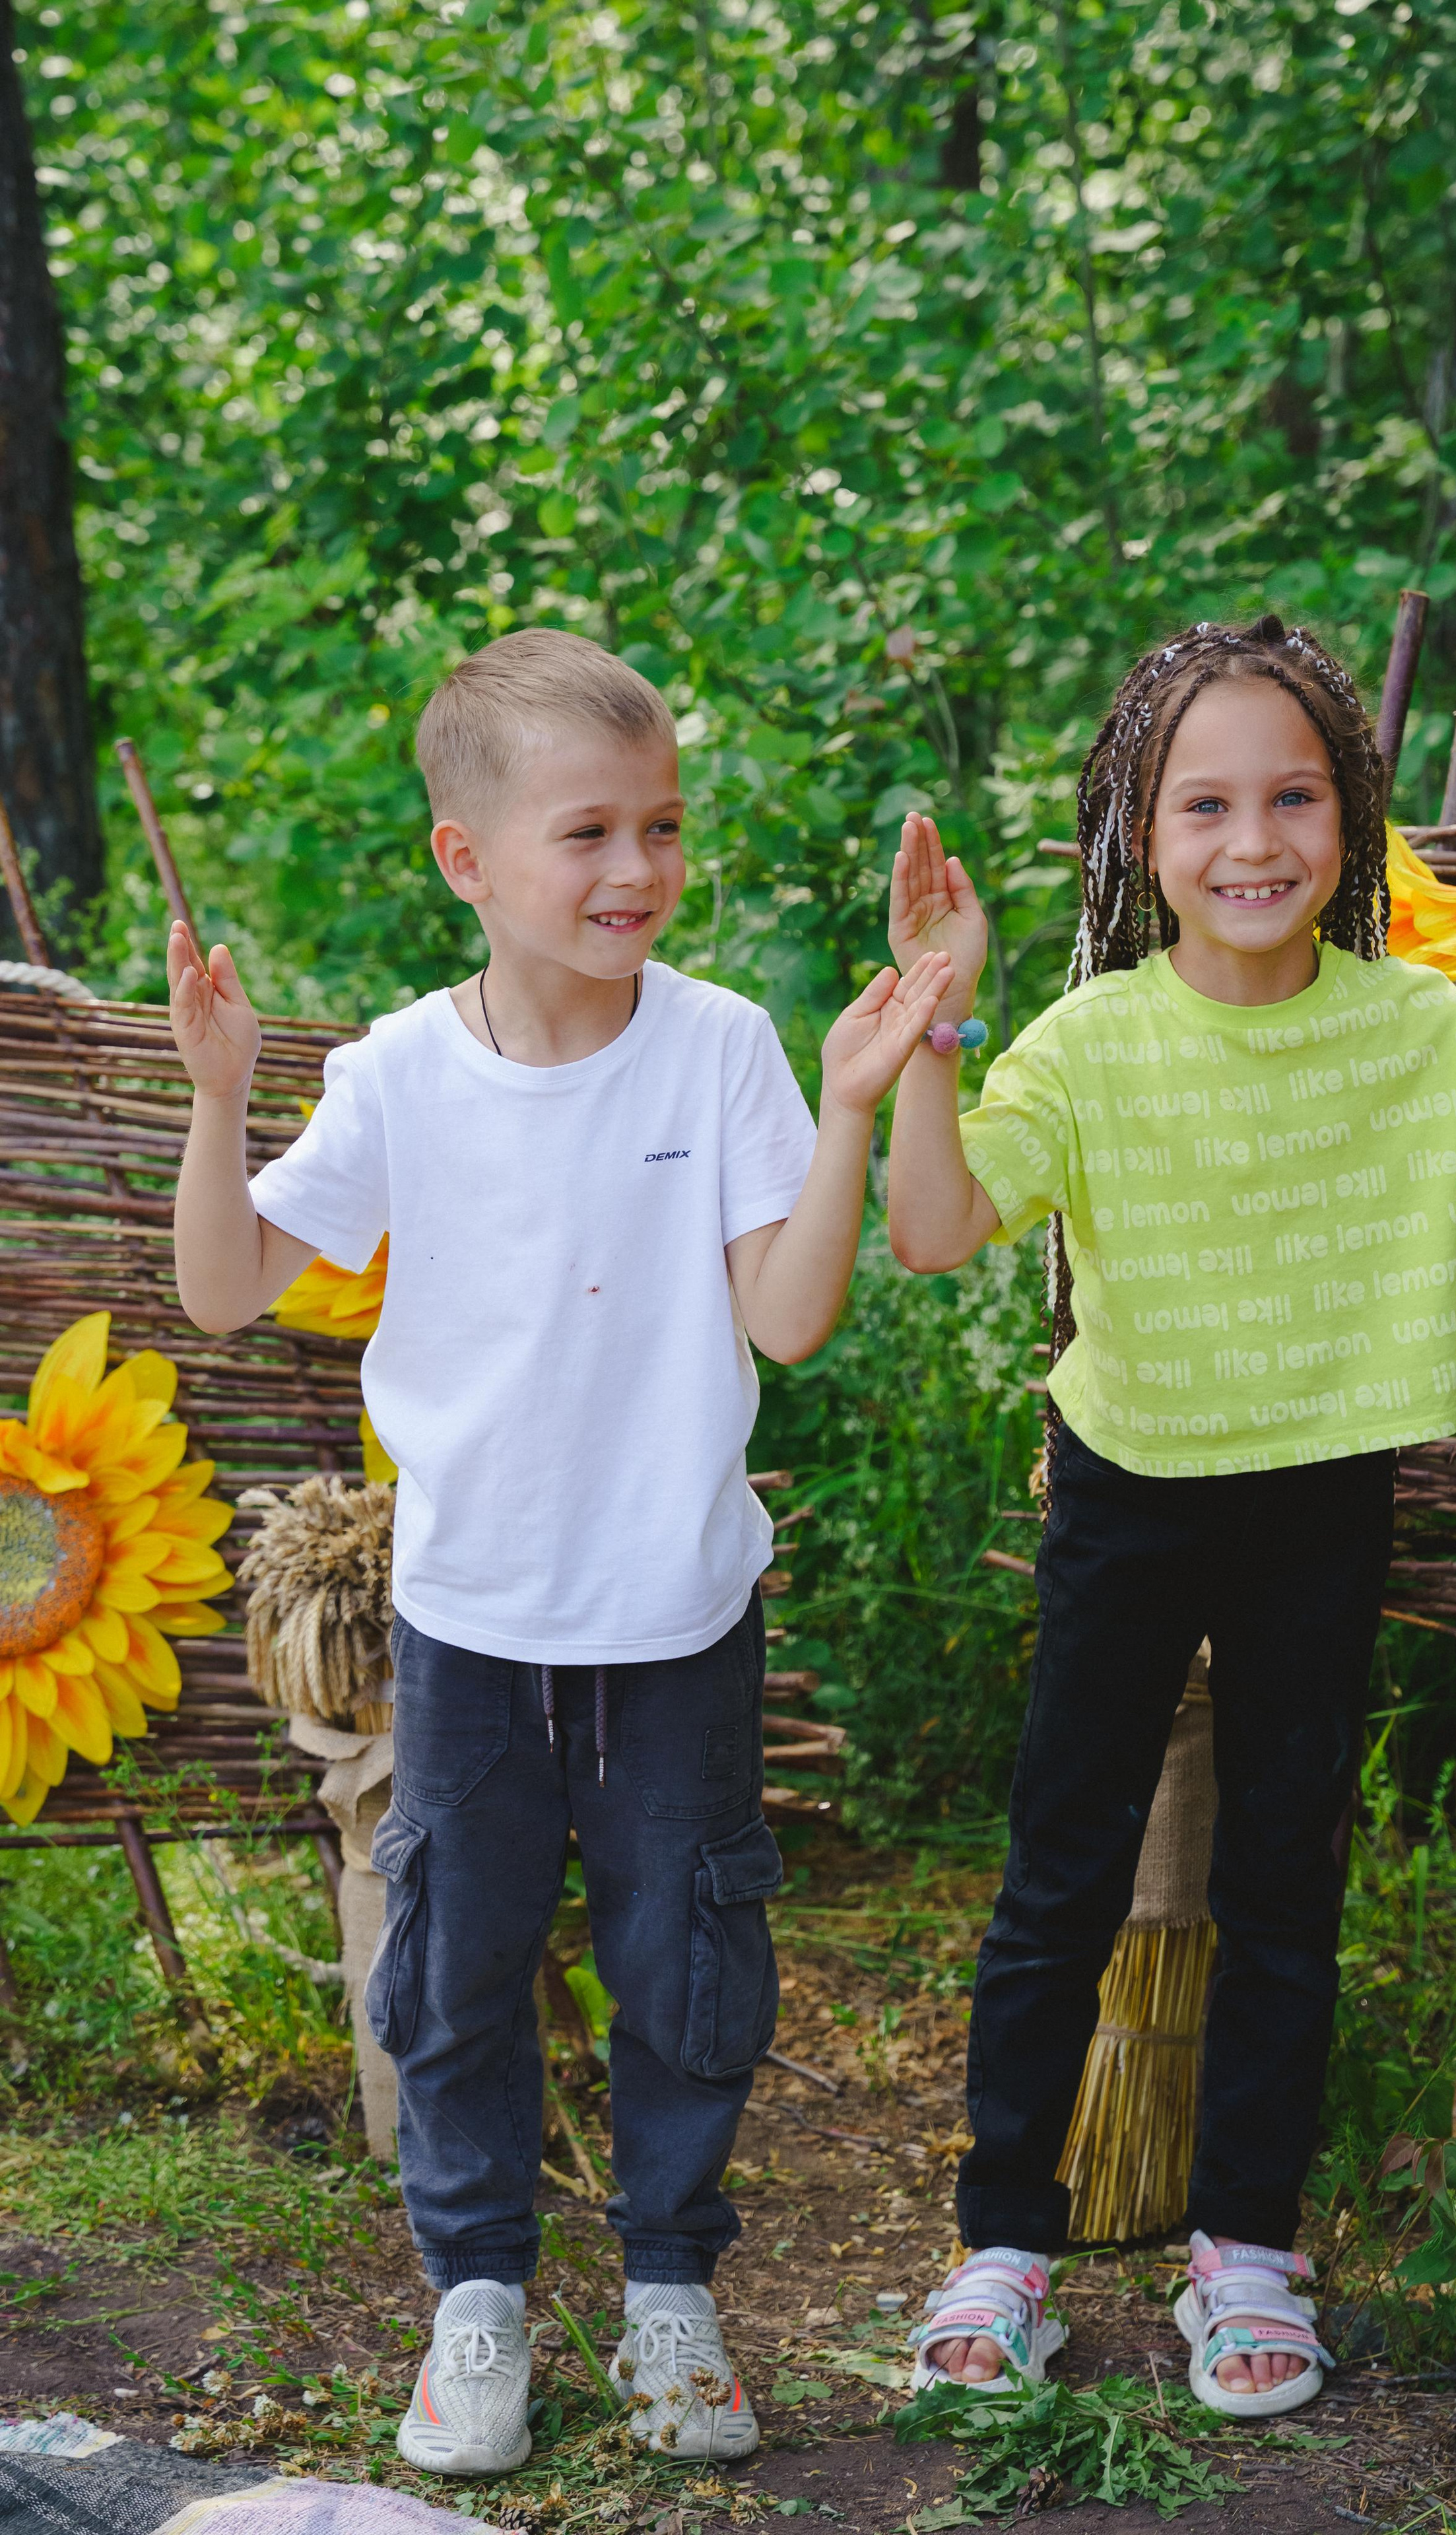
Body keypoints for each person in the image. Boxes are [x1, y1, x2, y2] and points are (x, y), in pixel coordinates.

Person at [166, 628, 956, 2476]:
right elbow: (219, 1291)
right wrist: (222, 1096)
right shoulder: (396, 1082)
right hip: (470, 1629)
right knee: (452, 1965)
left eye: (662, 827)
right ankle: (480, 2300)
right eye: (588, 832)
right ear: (469, 859)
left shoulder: (722, 1051)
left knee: (691, 1960)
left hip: (679, 1616)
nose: (635, 872)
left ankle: (672, 2286)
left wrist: (850, 1105)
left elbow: (789, 1320)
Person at [884, 613, 1456, 2419]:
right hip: (1126, 1490)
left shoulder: (1421, 1031)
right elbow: (932, 1231)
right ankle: (1000, 2238)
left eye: (1295, 798)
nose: (1255, 843)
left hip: (1326, 1489)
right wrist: (933, 1028)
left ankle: (1247, 2251)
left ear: (1351, 820)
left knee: (1281, 1880)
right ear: (1141, 834)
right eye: (1207, 806)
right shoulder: (1089, 1047)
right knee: (1062, 1869)